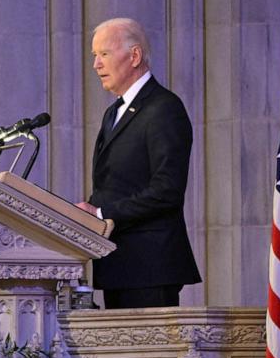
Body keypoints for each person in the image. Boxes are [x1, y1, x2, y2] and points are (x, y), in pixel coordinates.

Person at [75, 18, 201, 309]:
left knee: (148, 357)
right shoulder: (112, 113)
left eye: (103, 54)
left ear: (134, 56)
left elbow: (167, 190)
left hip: (150, 267)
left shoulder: (164, 108)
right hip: (116, 262)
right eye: (95, 55)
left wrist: (101, 212)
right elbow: (113, 186)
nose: (96, 65)